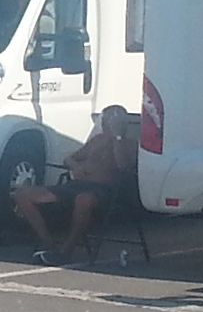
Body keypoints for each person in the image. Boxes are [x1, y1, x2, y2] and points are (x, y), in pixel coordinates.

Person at [11, 106, 137, 263]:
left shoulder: (130, 145)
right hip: (76, 185)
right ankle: (48, 242)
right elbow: (69, 159)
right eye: (108, 120)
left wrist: (117, 138)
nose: (109, 125)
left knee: (83, 199)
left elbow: (123, 166)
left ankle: (67, 250)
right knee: (22, 195)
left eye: (114, 121)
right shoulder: (96, 141)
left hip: (105, 191)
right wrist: (76, 167)